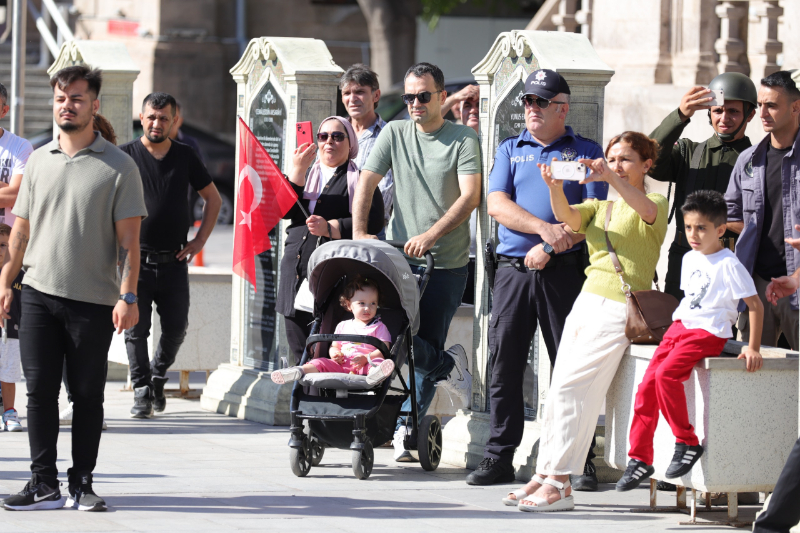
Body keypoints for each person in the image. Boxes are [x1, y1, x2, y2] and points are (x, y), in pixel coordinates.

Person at [0, 65, 147, 512]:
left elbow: (129, 244)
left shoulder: (120, 166)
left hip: (93, 301)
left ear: (94, 105)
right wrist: (6, 283)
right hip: (38, 294)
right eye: (62, 98)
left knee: (86, 396)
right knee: (39, 392)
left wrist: (128, 296)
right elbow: (20, 231)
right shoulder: (39, 159)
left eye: (77, 98)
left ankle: (81, 482)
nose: (68, 105)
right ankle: (42, 481)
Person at [502, 131, 668, 512]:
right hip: (587, 299)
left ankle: (560, 481)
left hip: (620, 307)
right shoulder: (600, 206)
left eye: (626, 159)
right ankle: (546, 474)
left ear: (647, 165)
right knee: (560, 387)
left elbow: (647, 212)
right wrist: (554, 187)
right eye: (613, 158)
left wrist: (611, 177)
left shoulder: (655, 200)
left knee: (577, 389)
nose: (617, 165)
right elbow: (568, 218)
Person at [466, 69, 608, 489]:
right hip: (513, 272)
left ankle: (578, 460)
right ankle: (498, 457)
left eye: (540, 102)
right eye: (528, 101)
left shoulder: (584, 151)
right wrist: (543, 230)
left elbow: (591, 217)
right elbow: (496, 204)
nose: (531, 108)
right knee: (504, 364)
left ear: (562, 108)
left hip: (565, 272)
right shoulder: (512, 148)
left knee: (572, 368)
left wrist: (549, 247)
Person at [351, 62, 481, 462]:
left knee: (422, 342)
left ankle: (410, 423)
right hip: (400, 260)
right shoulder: (394, 131)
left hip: (447, 262)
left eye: (423, 96)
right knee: (395, 340)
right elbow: (367, 182)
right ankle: (447, 363)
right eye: (409, 97)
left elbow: (470, 197)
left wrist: (431, 235)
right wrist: (358, 231)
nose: (415, 104)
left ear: (442, 97)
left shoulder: (462, 139)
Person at [616, 190, 763, 492]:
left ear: (720, 230)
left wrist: (752, 346)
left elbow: (755, 305)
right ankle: (640, 459)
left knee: (667, 376)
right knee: (647, 386)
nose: (693, 234)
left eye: (702, 228)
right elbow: (691, 299)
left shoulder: (729, 264)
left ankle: (686, 441)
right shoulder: (688, 257)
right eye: (688, 227)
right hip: (680, 327)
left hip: (708, 332)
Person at [120, 92, 222, 419]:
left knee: (176, 328)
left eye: (164, 118)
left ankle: (158, 375)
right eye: (151, 116)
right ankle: (141, 390)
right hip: (135, 262)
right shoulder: (125, 156)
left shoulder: (186, 156)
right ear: (141, 116)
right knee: (136, 331)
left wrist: (200, 241)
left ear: (174, 120)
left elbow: (213, 200)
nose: (156, 123)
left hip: (175, 260)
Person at [276, 116, 384, 364]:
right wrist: (297, 171)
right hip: (296, 274)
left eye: (337, 136)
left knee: (330, 354)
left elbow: (375, 221)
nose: (329, 142)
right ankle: (302, 402)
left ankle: (322, 402)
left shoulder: (360, 178)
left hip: (334, 278)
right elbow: (283, 210)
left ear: (350, 143)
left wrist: (332, 227)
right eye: (323, 136)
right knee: (298, 355)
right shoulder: (304, 173)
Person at [650, 73, 757, 301]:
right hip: (685, 256)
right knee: (677, 328)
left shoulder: (758, 160)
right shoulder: (689, 152)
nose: (724, 117)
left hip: (730, 258)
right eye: (718, 110)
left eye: (734, 111)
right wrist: (680, 116)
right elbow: (648, 160)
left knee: (723, 332)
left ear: (750, 115)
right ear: (709, 112)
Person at [725, 70, 800, 350]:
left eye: (772, 105)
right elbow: (730, 213)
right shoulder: (748, 159)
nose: (763, 112)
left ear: (795, 107)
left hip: (797, 282)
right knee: (756, 375)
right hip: (756, 284)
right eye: (761, 104)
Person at [59, 113, 118, 429]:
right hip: (62, 274)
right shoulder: (62, 170)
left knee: (93, 347)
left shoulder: (117, 175)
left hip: (101, 278)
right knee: (68, 346)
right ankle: (74, 402)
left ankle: (92, 405)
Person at [271, 275, 394, 386]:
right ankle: (299, 371)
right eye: (362, 303)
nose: (368, 308)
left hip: (366, 364)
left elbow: (384, 348)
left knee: (379, 361)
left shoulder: (379, 327)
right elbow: (335, 346)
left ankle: (376, 375)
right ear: (349, 304)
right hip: (341, 364)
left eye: (373, 303)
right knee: (320, 362)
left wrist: (367, 358)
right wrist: (334, 354)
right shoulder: (342, 325)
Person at [341, 64, 393, 239]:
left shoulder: (388, 135)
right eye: (347, 93)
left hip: (373, 231)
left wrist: (358, 225)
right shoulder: (333, 134)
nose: (352, 98)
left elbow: (386, 190)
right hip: (332, 228)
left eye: (360, 92)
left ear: (376, 95)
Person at [0, 82, 33, 228]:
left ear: (4, 110)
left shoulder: (20, 146)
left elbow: (18, 195)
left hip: (9, 246)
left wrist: (12, 192)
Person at [0, 223, 23, 432]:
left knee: (8, 375)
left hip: (13, 334)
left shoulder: (20, 275)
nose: (2, 250)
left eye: (6, 245)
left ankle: (9, 412)